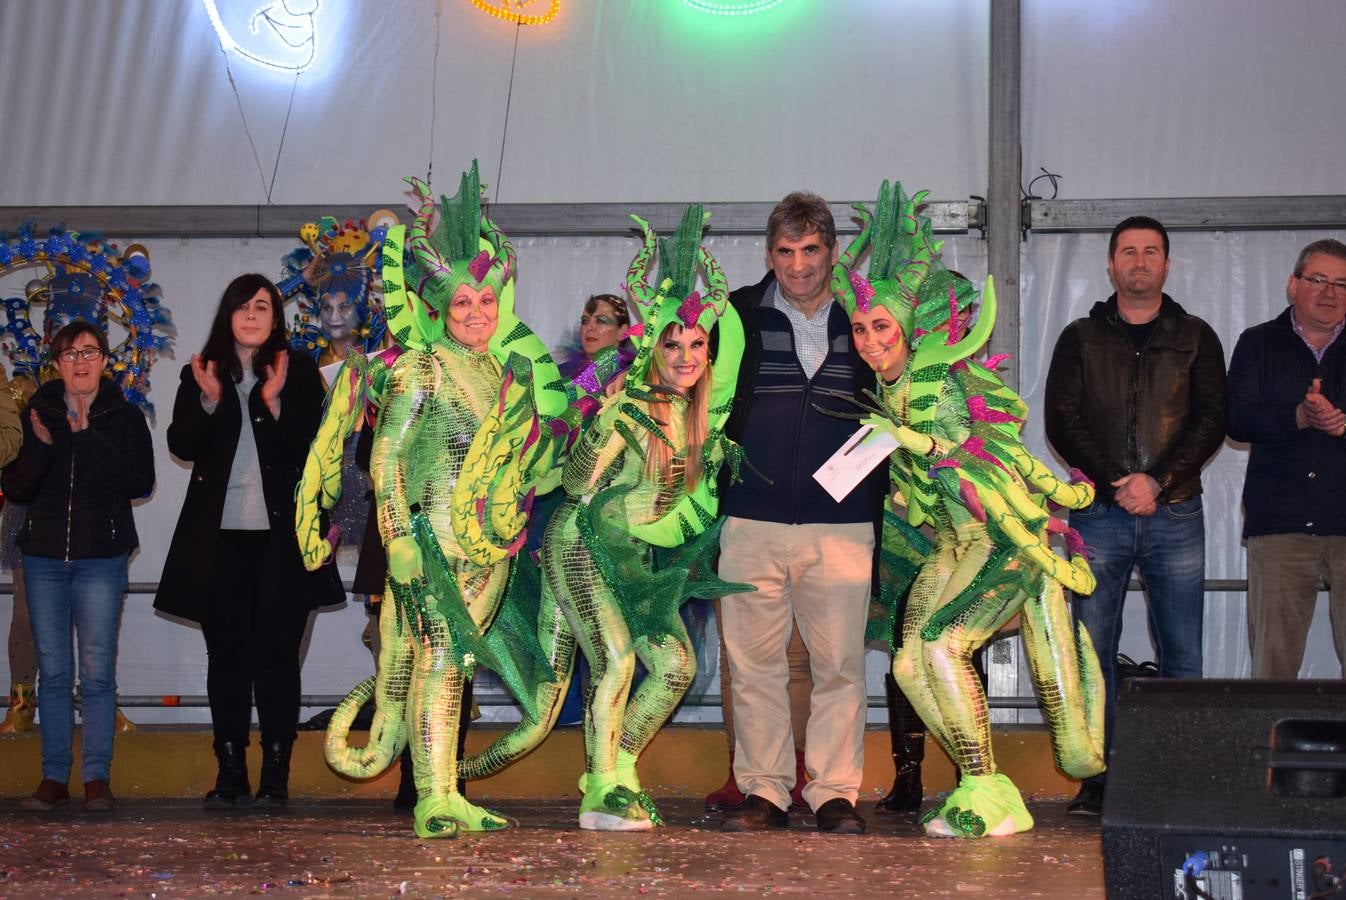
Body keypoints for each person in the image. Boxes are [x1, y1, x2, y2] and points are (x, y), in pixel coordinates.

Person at [835, 179, 1103, 837]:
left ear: (908, 329)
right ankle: (988, 785)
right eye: (862, 328)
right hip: (952, 546)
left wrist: (914, 442)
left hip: (999, 541)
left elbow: (965, 449)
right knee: (906, 662)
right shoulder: (887, 387)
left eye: (881, 327)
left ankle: (986, 787)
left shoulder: (938, 379)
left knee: (945, 645)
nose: (870, 340)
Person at [541, 206, 745, 830]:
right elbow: (576, 487)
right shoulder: (628, 403)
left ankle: (616, 767)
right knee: (619, 661)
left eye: (696, 344)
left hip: (633, 560)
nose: (686, 355)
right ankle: (601, 786)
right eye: (673, 343)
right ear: (652, 347)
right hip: (578, 543)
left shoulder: (702, 418)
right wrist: (602, 426)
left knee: (677, 666)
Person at [1044, 215, 1227, 817]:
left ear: (1167, 265)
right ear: (1111, 264)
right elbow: (1061, 420)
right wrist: (1118, 483)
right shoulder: (1079, 336)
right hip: (1099, 515)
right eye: (1129, 252)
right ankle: (1101, 778)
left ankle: (1177, 777)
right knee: (1093, 652)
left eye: (1152, 252)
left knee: (1183, 655)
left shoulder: (1196, 335)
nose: (1140, 262)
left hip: (1175, 513)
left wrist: (1157, 481)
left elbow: (1210, 421)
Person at [716, 191, 885, 835]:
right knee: (753, 663)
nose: (799, 264)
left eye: (811, 250)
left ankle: (834, 792)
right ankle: (764, 789)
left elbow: (899, 399)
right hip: (749, 517)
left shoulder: (868, 317)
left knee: (839, 663)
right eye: (786, 252)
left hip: (842, 522)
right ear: (770, 254)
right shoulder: (736, 316)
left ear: (832, 252)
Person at [155, 273, 343, 809]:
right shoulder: (204, 371)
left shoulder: (298, 370)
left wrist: (272, 401)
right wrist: (212, 402)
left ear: (276, 318)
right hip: (218, 542)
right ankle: (231, 768)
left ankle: (277, 772)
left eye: (264, 306)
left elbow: (313, 450)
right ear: (228, 314)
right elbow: (183, 444)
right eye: (244, 305)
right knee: (227, 658)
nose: (254, 315)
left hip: (282, 541)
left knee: (279, 657)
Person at [3, 320, 154, 811]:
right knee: (52, 673)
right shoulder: (37, 413)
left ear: (105, 362)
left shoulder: (124, 417)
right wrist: (46, 445)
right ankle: (52, 777)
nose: (81, 362)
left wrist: (87, 435)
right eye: (70, 354)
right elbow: (19, 488)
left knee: (96, 673)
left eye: (90, 352)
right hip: (43, 558)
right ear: (57, 365)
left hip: (100, 561)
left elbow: (138, 482)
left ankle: (96, 778)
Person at [1228, 238, 1346, 678]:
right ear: (1292, 285)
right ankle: (1264, 748)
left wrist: (1341, 425)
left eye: (1341, 284)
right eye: (1318, 279)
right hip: (1279, 522)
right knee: (1272, 668)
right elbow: (1237, 419)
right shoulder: (1257, 343)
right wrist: (1298, 416)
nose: (1330, 292)